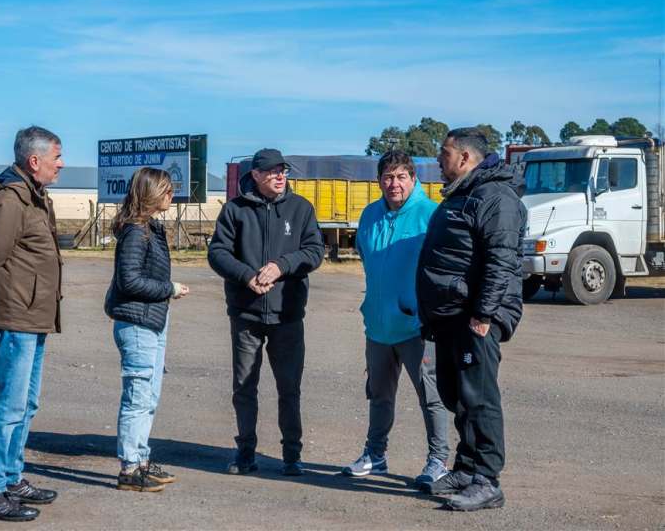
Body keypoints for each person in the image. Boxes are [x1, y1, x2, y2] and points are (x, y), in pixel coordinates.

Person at [416, 128, 526, 511]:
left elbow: (501, 260)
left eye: (443, 154)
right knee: (457, 394)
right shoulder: (463, 194)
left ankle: (487, 480)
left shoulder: (496, 197)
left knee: (479, 398)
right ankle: (466, 466)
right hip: (450, 317)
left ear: (465, 158)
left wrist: (483, 314)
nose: (438, 161)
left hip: (475, 316)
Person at [0, 126, 64, 522]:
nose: (62, 163)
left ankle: (13, 479)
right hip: (14, 314)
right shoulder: (11, 200)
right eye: (57, 156)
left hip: (33, 314)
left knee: (26, 403)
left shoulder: (35, 196)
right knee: (8, 405)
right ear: (34, 161)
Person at [208, 148, 324, 476]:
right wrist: (246, 276)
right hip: (246, 315)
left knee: (289, 388)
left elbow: (314, 251)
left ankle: (292, 455)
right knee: (244, 386)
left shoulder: (301, 209)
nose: (279, 176)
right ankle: (245, 452)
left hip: (287, 315)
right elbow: (217, 252)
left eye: (283, 171)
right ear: (256, 175)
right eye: (272, 172)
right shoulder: (235, 210)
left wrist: (282, 266)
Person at [341, 151, 449, 485]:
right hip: (378, 326)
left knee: (431, 396)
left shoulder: (431, 215)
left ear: (414, 179)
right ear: (379, 181)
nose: (394, 184)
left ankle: (438, 460)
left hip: (417, 327)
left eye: (401, 176)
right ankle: (375, 454)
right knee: (379, 395)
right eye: (388, 177)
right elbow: (367, 262)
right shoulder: (370, 215)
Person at [104, 167, 189, 492]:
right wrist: (169, 288)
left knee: (149, 396)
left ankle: (140, 459)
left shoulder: (150, 229)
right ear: (151, 193)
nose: (172, 196)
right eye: (166, 190)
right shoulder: (136, 232)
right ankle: (129, 468)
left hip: (151, 320)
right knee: (138, 397)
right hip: (137, 324)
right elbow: (130, 280)